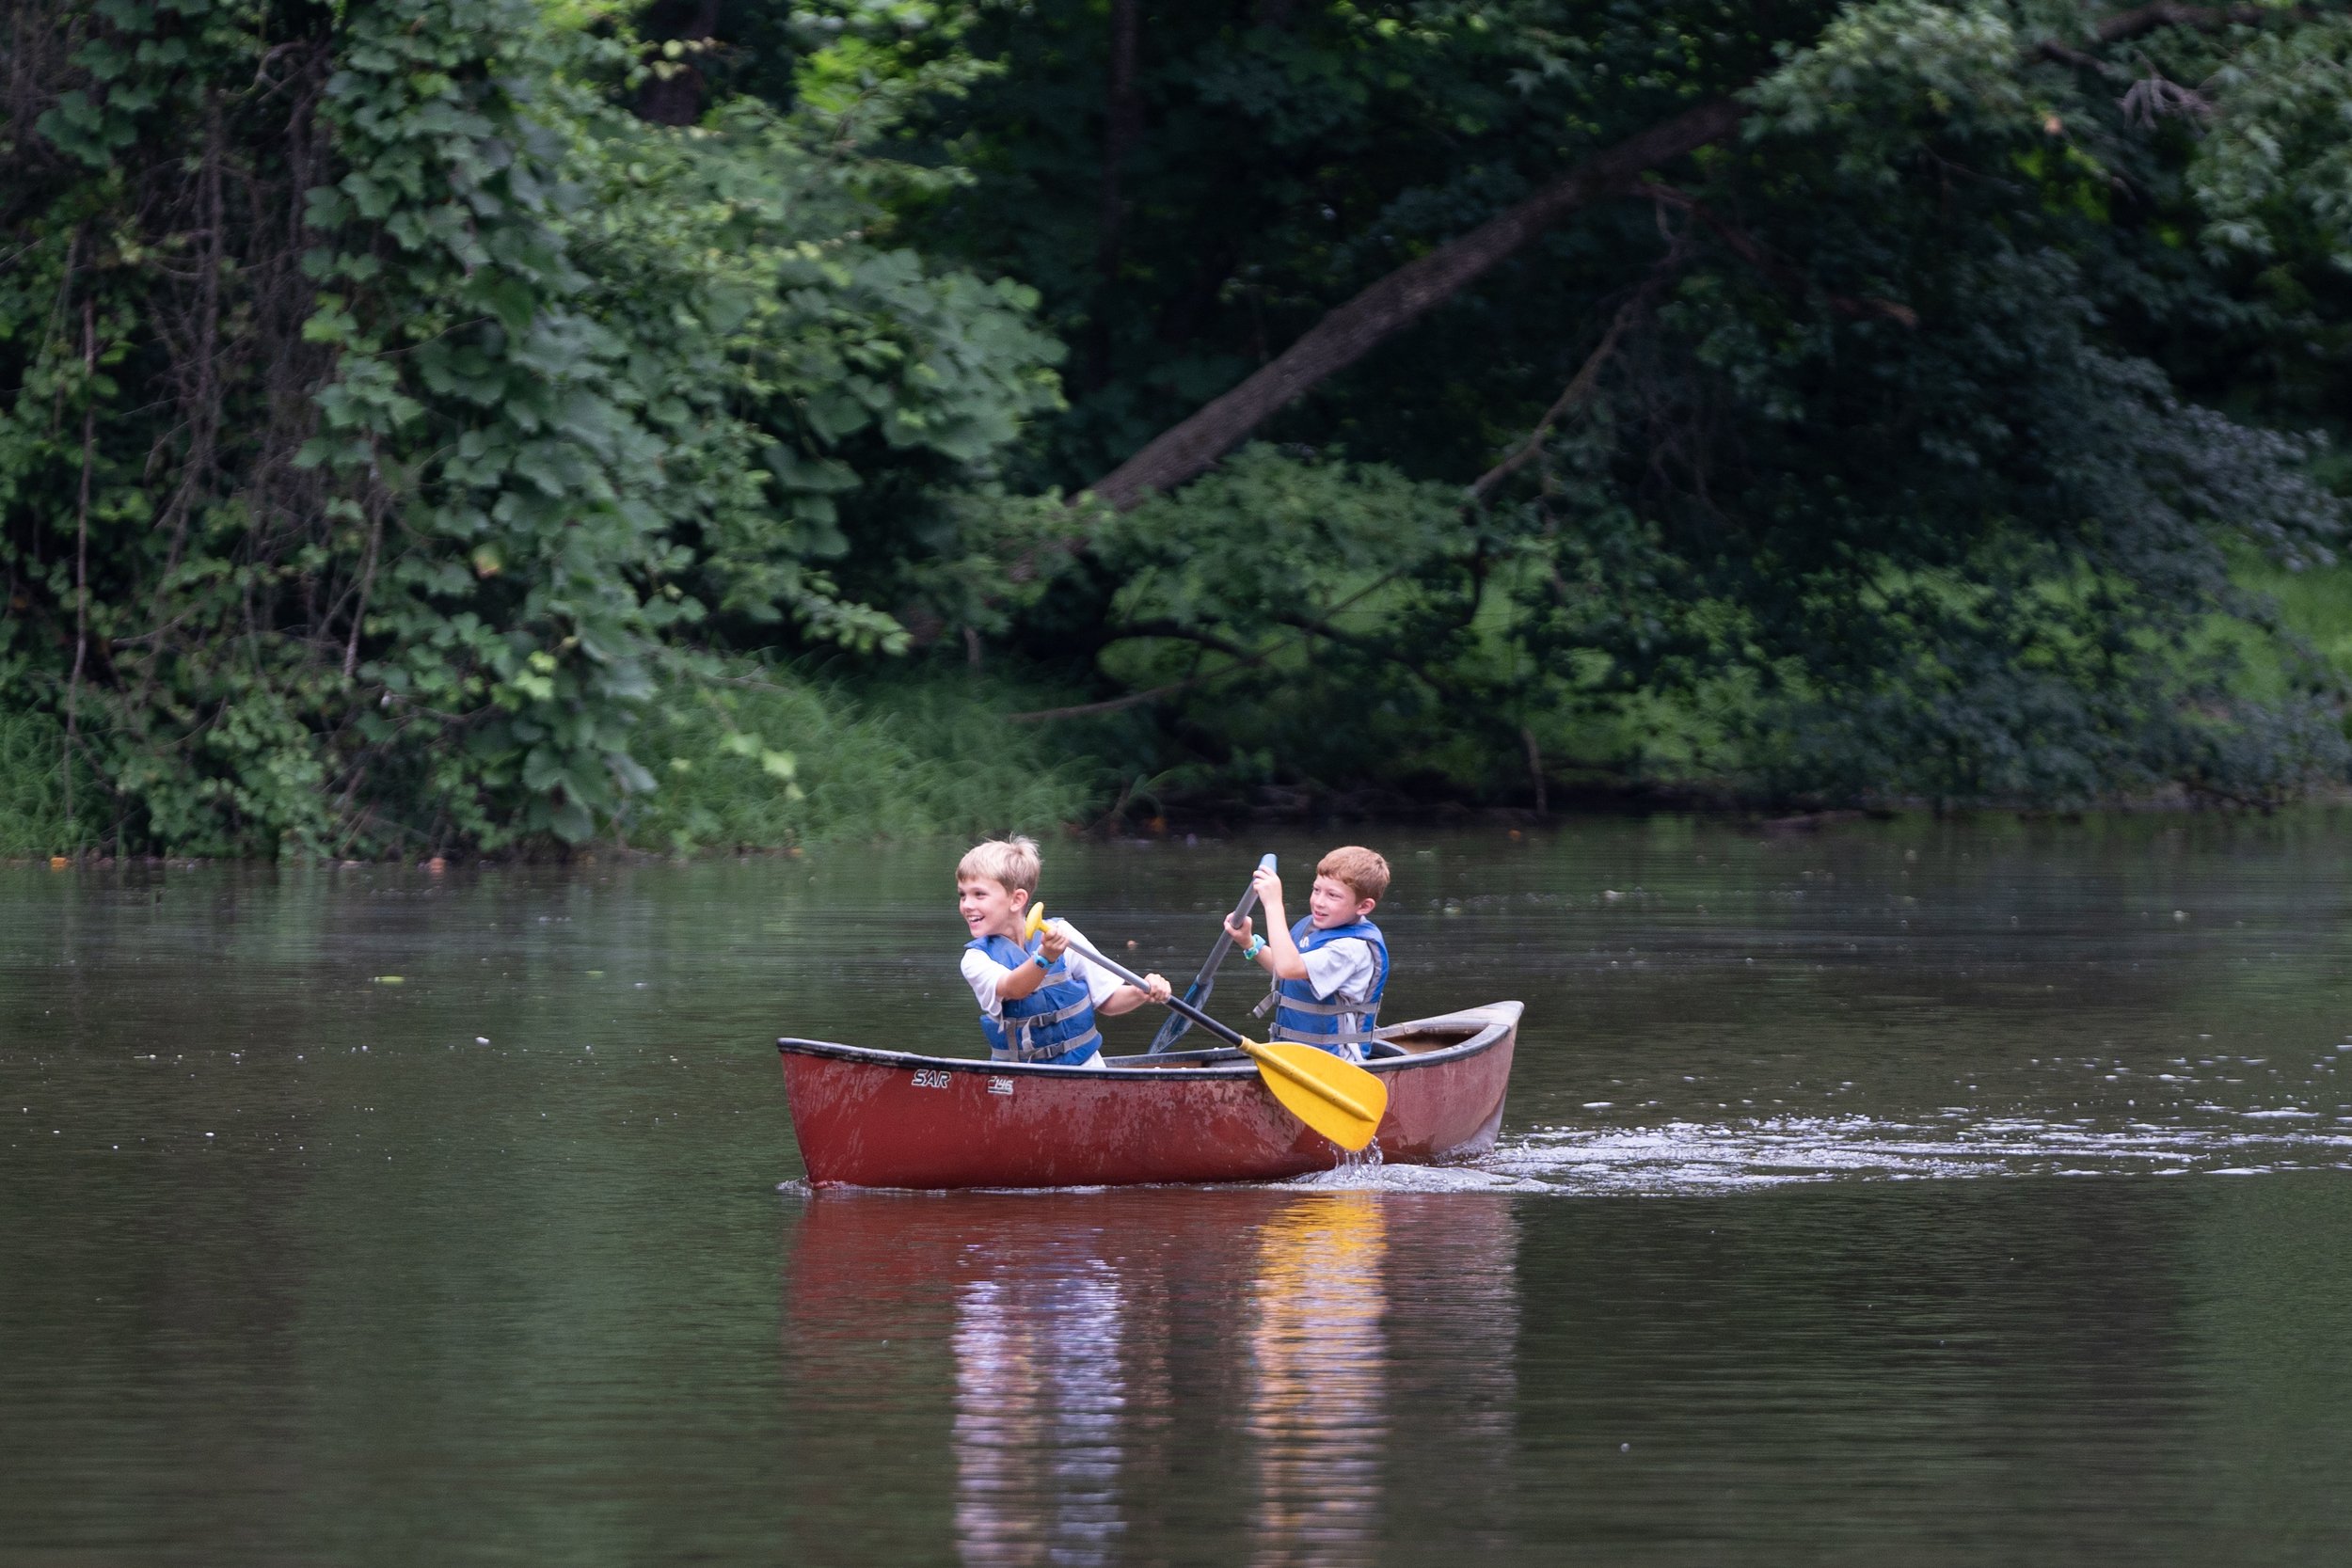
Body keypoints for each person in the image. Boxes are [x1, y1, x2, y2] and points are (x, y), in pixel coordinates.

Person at [957, 835, 1171, 1065]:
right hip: (1021, 1080)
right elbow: (1013, 988)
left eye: (979, 894)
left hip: (1088, 1070)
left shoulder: (1061, 933)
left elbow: (1108, 1000)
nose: (967, 905)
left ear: (1017, 900)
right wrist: (1045, 957)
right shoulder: (975, 959)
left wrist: (1141, 992)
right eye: (962, 895)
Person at [1223, 846, 1391, 1062]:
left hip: (1336, 1064)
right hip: (1292, 1055)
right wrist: (1249, 943)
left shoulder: (1353, 949)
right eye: (1316, 890)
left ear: (1364, 906)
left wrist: (1273, 903)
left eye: (1333, 895)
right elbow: (1285, 969)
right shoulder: (1313, 928)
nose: (1319, 902)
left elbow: (1288, 967)